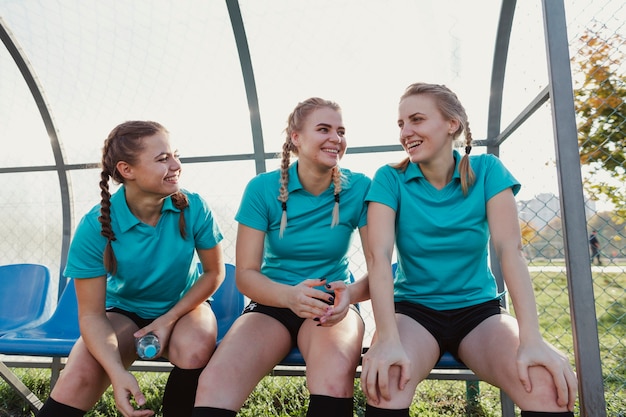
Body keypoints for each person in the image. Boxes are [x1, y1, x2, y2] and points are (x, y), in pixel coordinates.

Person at [360, 83, 578, 417]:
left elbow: (510, 251)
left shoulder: (488, 171)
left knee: (546, 387)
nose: (406, 132)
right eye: (401, 124)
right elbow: (377, 258)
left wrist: (531, 338)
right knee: (386, 383)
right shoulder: (390, 179)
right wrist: (387, 337)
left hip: (479, 313)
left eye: (416, 119)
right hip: (413, 313)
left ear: (452, 124)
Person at [192, 97, 371, 417]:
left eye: (341, 131)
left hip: (331, 307)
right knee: (214, 382)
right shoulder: (262, 188)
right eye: (324, 129)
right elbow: (246, 274)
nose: (336, 138)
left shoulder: (360, 187)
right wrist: (289, 296)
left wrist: (349, 296)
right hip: (271, 304)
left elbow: (381, 268)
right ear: (295, 137)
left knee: (333, 381)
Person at [37, 121, 226, 417]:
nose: (176, 164)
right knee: (80, 375)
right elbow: (91, 315)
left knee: (197, 346)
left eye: (175, 154)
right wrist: (116, 373)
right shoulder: (94, 227)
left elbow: (214, 273)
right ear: (127, 170)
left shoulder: (194, 207)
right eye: (163, 158)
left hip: (185, 308)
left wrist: (168, 319)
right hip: (124, 311)